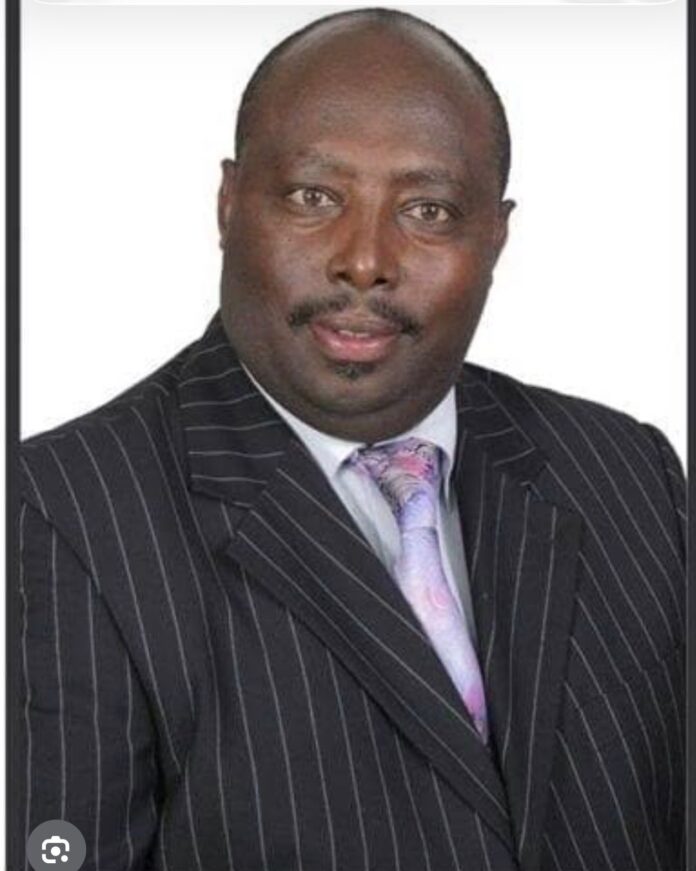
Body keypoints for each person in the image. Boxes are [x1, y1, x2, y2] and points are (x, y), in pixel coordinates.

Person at [15, 8, 685, 871]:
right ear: (229, 204)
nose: (364, 260)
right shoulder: (57, 513)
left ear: (496, 235)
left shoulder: (629, 474)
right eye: (314, 197)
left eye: (428, 209)